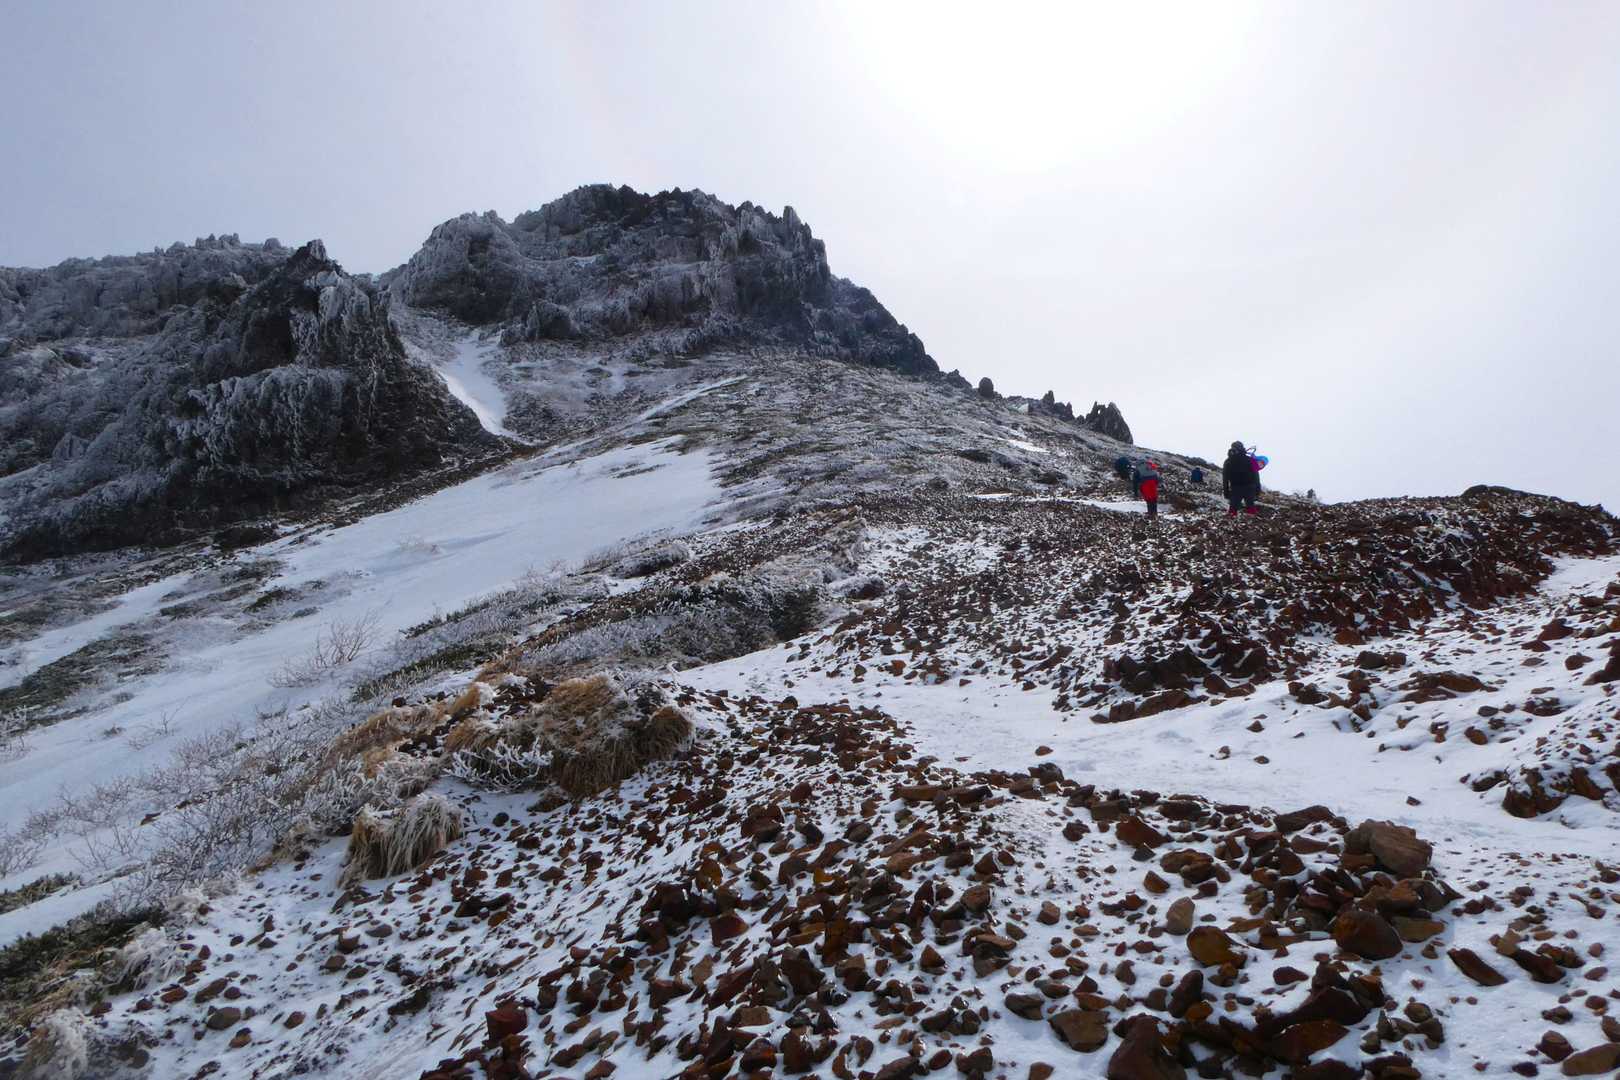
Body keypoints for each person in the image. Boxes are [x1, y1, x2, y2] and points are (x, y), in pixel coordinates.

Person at [1222, 440, 1260, 517]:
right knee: (1251, 508)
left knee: (1232, 511)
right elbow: (1256, 475)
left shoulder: (1228, 461)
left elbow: (1225, 478)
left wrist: (1226, 491)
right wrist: (1257, 489)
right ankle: (1251, 521)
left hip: (1236, 488)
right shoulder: (1251, 460)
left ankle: (1232, 521)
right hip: (1250, 487)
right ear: (1242, 448)